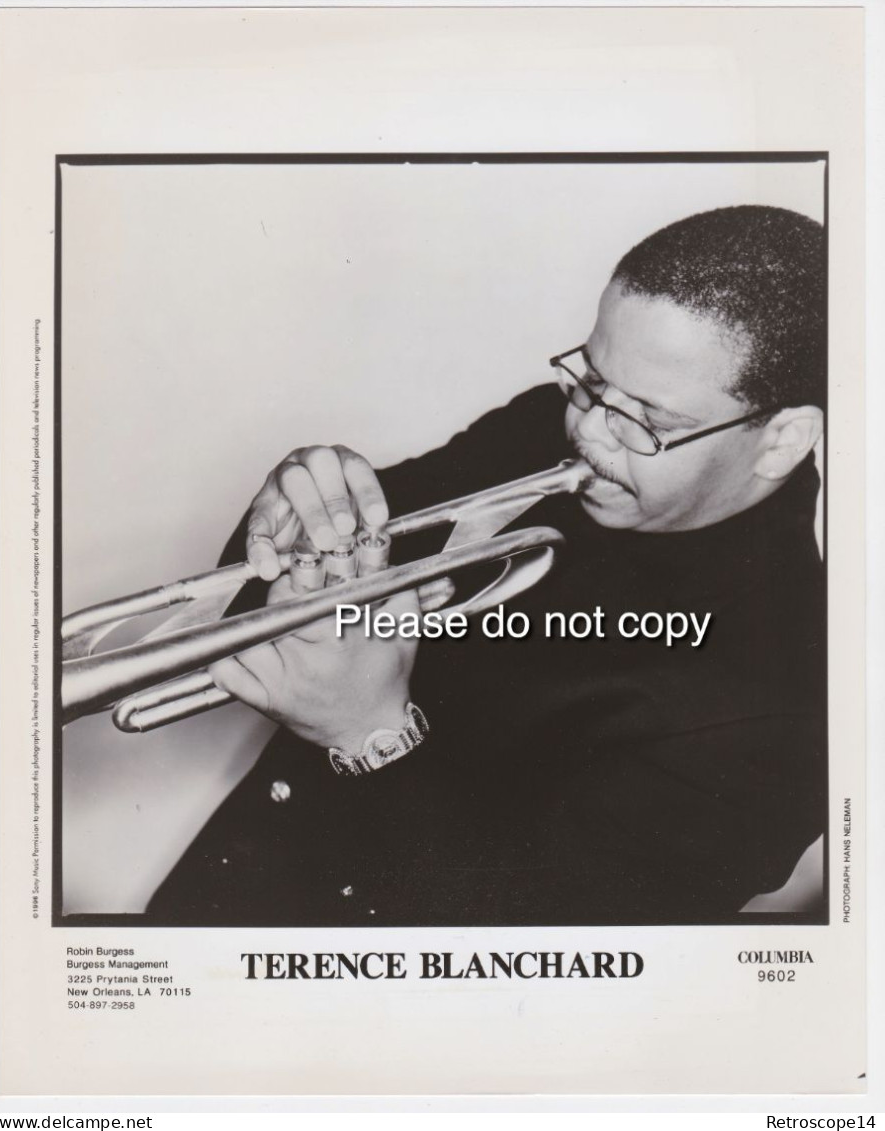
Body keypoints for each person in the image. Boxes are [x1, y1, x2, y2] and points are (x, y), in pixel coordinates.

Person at [146, 204, 827, 926]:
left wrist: (372, 733)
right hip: (226, 903)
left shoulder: (792, 707)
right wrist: (293, 522)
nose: (589, 434)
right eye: (590, 381)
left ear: (783, 439)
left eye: (649, 422)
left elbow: (556, 964)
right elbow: (273, 601)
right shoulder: (546, 426)